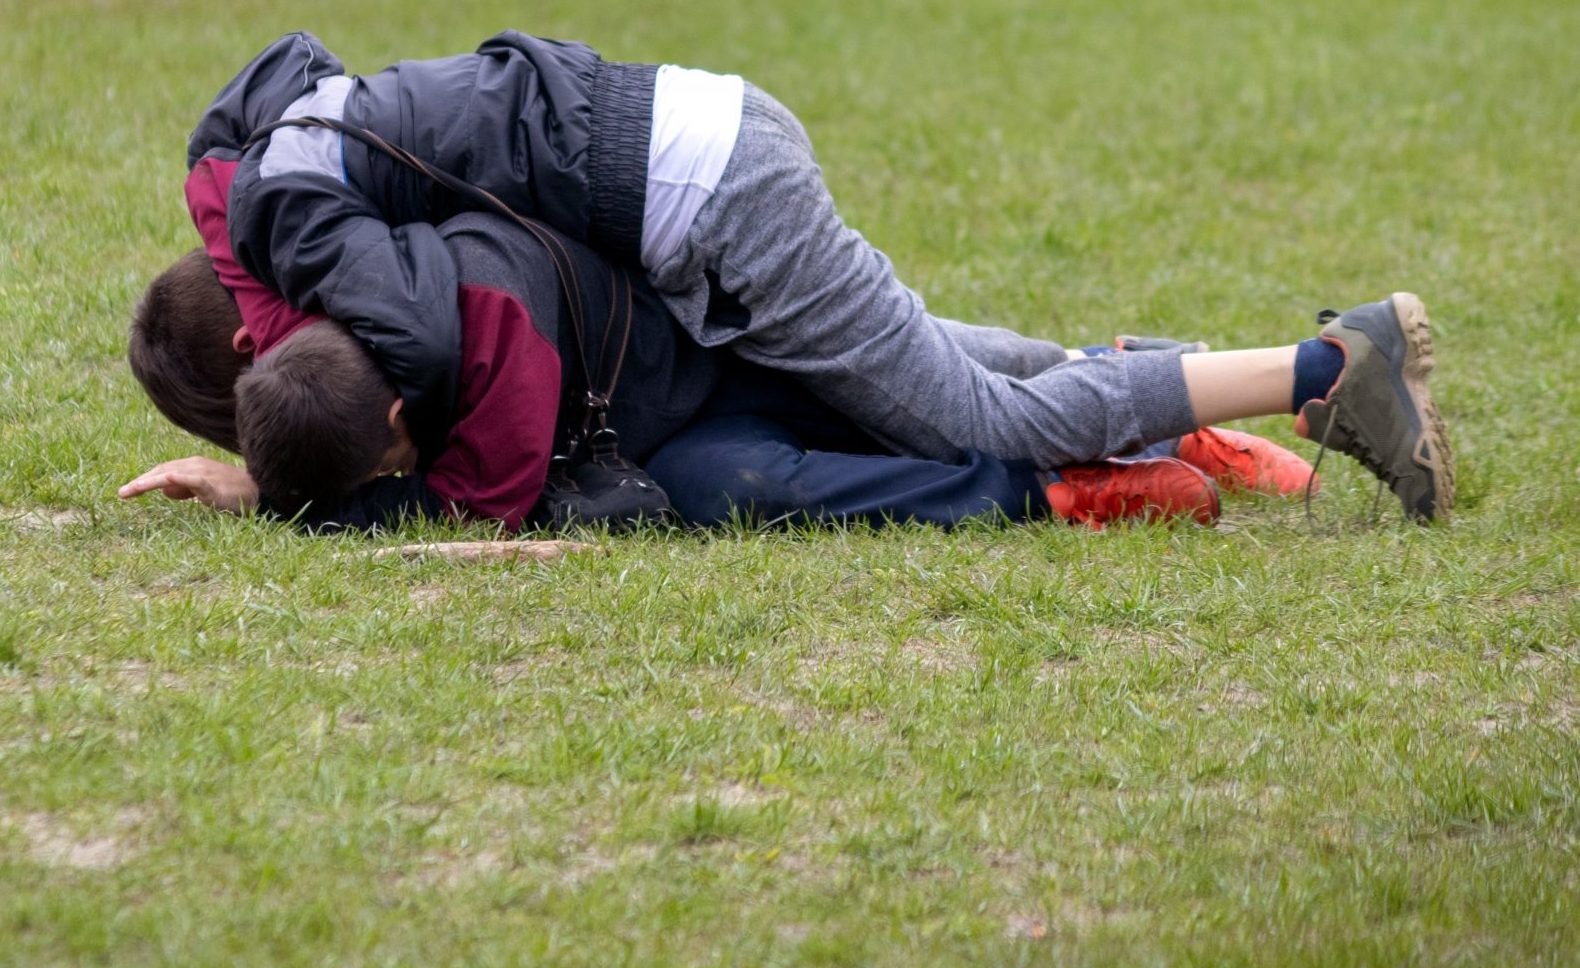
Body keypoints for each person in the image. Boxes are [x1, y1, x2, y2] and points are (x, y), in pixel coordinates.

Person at [188, 31, 1452, 522]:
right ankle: (1190, 392)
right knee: (931, 370)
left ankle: (1329, 368)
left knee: (975, 418)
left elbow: (406, 349)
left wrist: (289, 487)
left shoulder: (297, 224)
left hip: (721, 204)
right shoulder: (289, 157)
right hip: (699, 170)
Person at [121, 214, 1317, 531]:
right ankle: (1065, 488)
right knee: (749, 488)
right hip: (660, 436)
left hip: (696, 326)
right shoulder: (325, 369)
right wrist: (263, 495)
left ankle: (1163, 394)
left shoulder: (405, 285)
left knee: (939, 369)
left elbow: (466, 497)